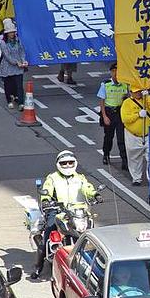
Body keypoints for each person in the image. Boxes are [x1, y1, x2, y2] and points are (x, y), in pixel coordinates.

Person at [34, 150, 98, 279]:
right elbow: (46, 191)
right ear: (58, 164)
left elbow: (87, 188)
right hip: (58, 210)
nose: (68, 165)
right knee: (49, 230)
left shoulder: (80, 178)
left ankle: (95, 263)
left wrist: (95, 194)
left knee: (92, 234)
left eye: (70, 162)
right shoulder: (53, 178)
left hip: (78, 212)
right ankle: (38, 267)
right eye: (64, 163)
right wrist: (46, 201)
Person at [120, 87, 150, 190]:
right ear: (131, 92)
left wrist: (148, 96)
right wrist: (138, 115)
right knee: (134, 158)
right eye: (135, 91)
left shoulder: (146, 99)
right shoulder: (127, 103)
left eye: (139, 91)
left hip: (147, 134)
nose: (138, 93)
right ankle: (136, 178)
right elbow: (125, 119)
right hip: (133, 135)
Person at [96, 63, 129, 168]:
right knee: (108, 136)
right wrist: (104, 116)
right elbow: (102, 102)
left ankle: (124, 160)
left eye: (118, 71)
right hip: (109, 112)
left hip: (120, 112)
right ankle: (106, 154)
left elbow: (127, 98)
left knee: (121, 137)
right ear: (111, 72)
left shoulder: (125, 84)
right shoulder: (105, 84)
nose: (116, 74)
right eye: (114, 71)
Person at [0, 19, 27, 110]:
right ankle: (9, 100)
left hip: (18, 67)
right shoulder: (3, 43)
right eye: (10, 32)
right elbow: (7, 56)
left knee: (19, 85)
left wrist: (23, 60)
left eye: (13, 32)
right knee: (8, 85)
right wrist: (16, 62)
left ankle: (21, 102)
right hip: (7, 67)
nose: (12, 34)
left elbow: (22, 51)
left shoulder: (18, 40)